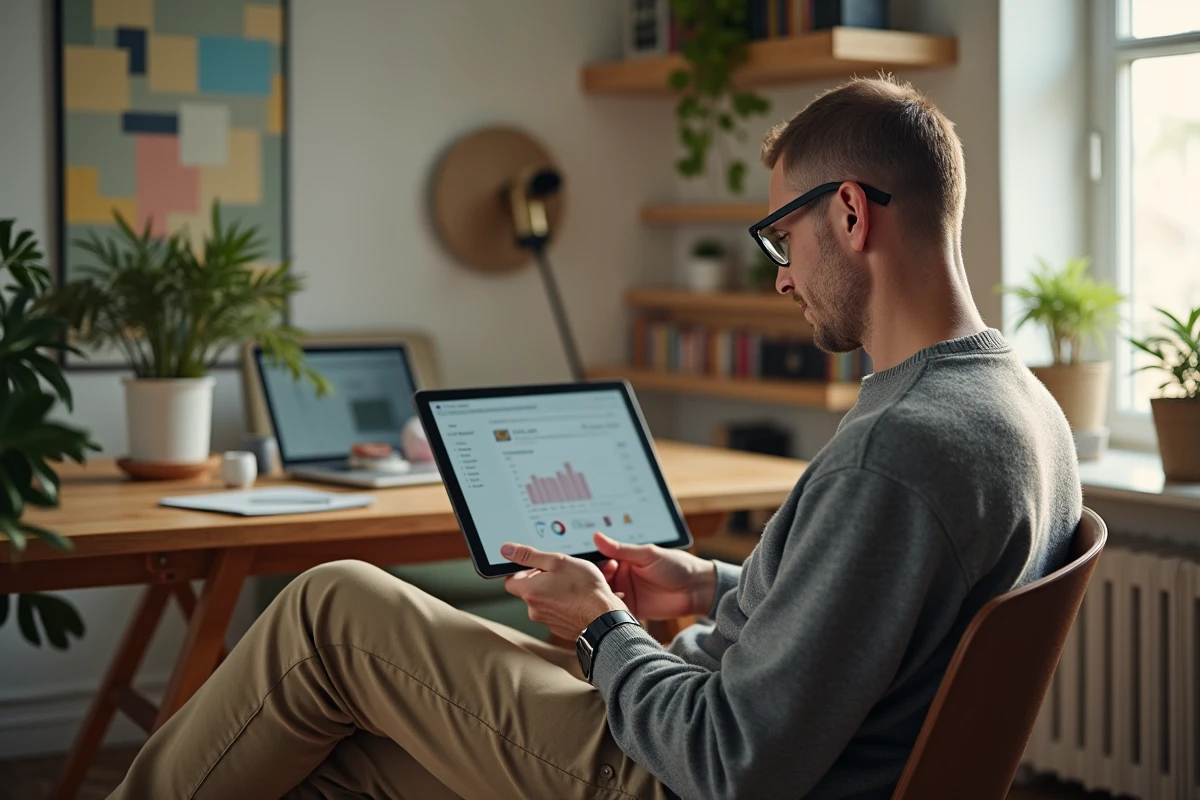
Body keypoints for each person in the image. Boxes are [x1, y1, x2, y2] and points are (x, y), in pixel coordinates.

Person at [111, 75, 1081, 800]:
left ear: (850, 211)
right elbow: (870, 631)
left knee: (330, 605)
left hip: (670, 770)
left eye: (782, 242)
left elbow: (732, 758)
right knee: (334, 757)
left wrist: (605, 626)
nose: (782, 277)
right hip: (726, 721)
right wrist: (705, 582)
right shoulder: (1020, 409)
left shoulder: (896, 449)